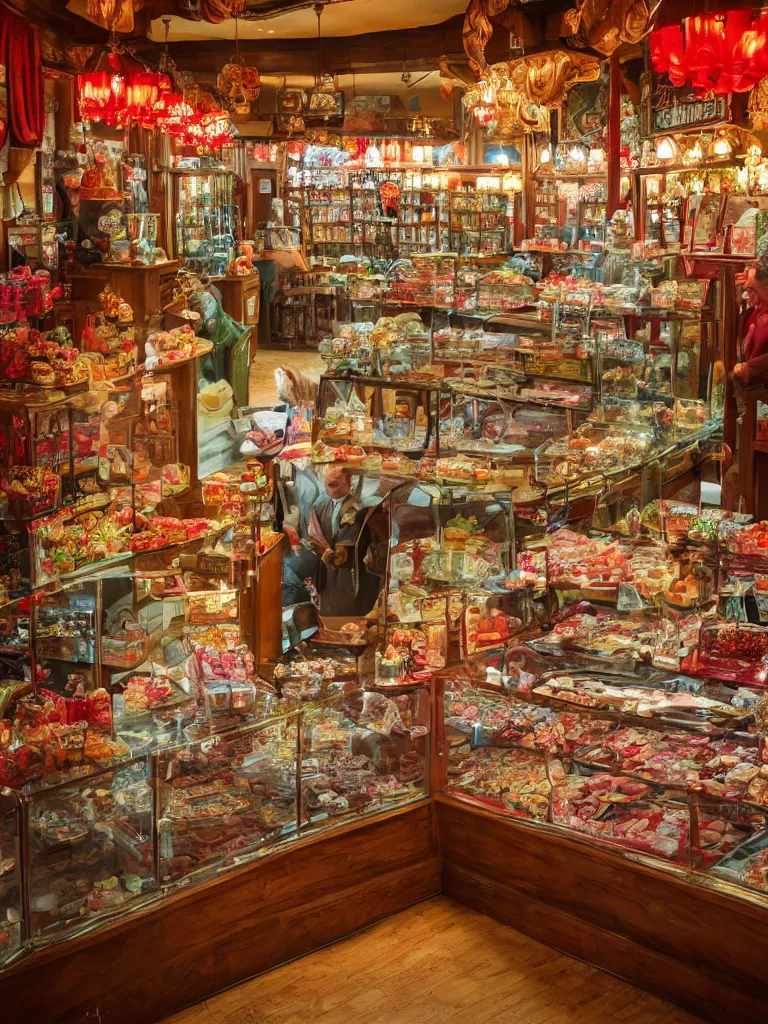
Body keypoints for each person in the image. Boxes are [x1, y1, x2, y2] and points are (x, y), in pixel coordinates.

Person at [308, 464, 382, 617]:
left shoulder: (362, 505)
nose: (332, 481)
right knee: (331, 614)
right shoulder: (319, 504)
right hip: (327, 577)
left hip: (356, 573)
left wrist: (337, 554)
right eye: (329, 480)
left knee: (354, 616)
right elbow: (313, 534)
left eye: (337, 479)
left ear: (348, 478)